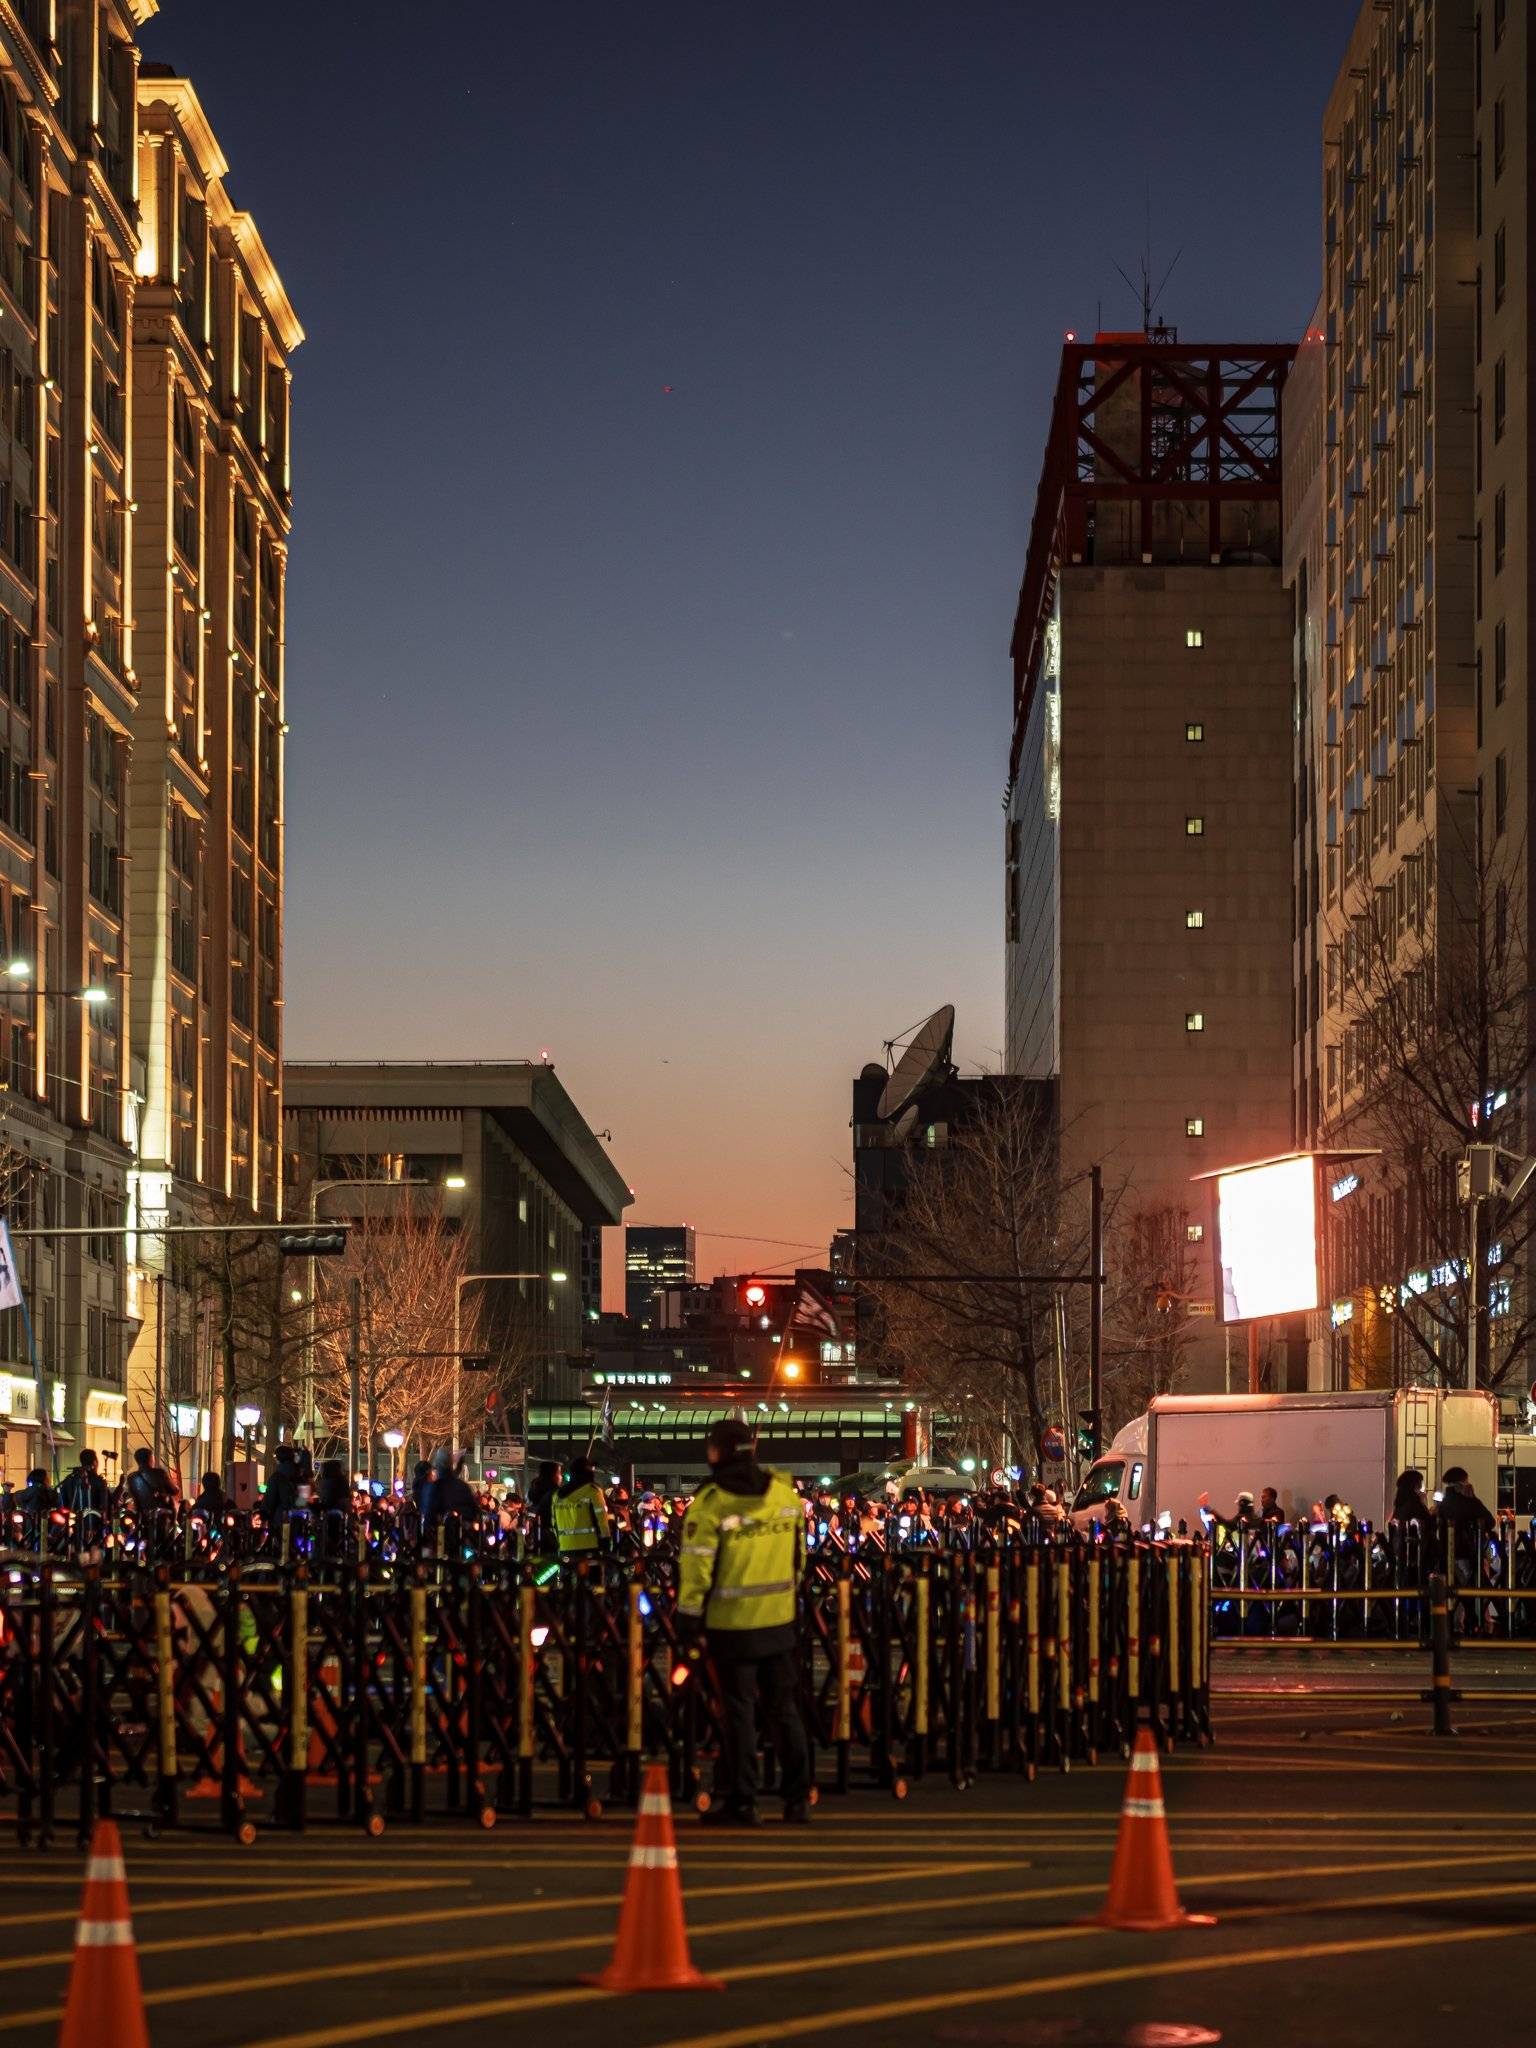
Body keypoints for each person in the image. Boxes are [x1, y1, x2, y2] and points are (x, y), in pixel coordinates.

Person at [676, 1418, 811, 1827]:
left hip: (730, 1626)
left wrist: (688, 1619)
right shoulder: (784, 1497)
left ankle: (743, 1801)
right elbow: (799, 1560)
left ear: (715, 1452)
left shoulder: (712, 1503)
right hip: (780, 1620)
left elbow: (696, 1571)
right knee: (784, 1710)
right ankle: (798, 1799)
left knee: (738, 1716)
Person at [552, 1456, 611, 1561]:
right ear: (587, 1471)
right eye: (591, 1468)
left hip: (565, 1546)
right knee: (594, 1576)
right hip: (589, 1546)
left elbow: (553, 1522)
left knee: (566, 1576)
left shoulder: (557, 1495)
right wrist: (606, 1540)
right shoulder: (593, 1491)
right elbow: (601, 1519)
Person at [59, 1448, 110, 1524]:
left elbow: (61, 1495)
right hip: (94, 1523)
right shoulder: (99, 1481)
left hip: (73, 1521)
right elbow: (105, 1503)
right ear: (94, 1462)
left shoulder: (70, 1478)